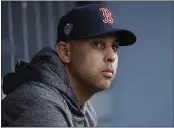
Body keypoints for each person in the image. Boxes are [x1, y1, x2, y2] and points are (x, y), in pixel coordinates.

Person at [1, 4, 136, 127]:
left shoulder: (84, 108)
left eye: (115, 47)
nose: (111, 56)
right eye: (97, 44)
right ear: (65, 52)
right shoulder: (45, 110)